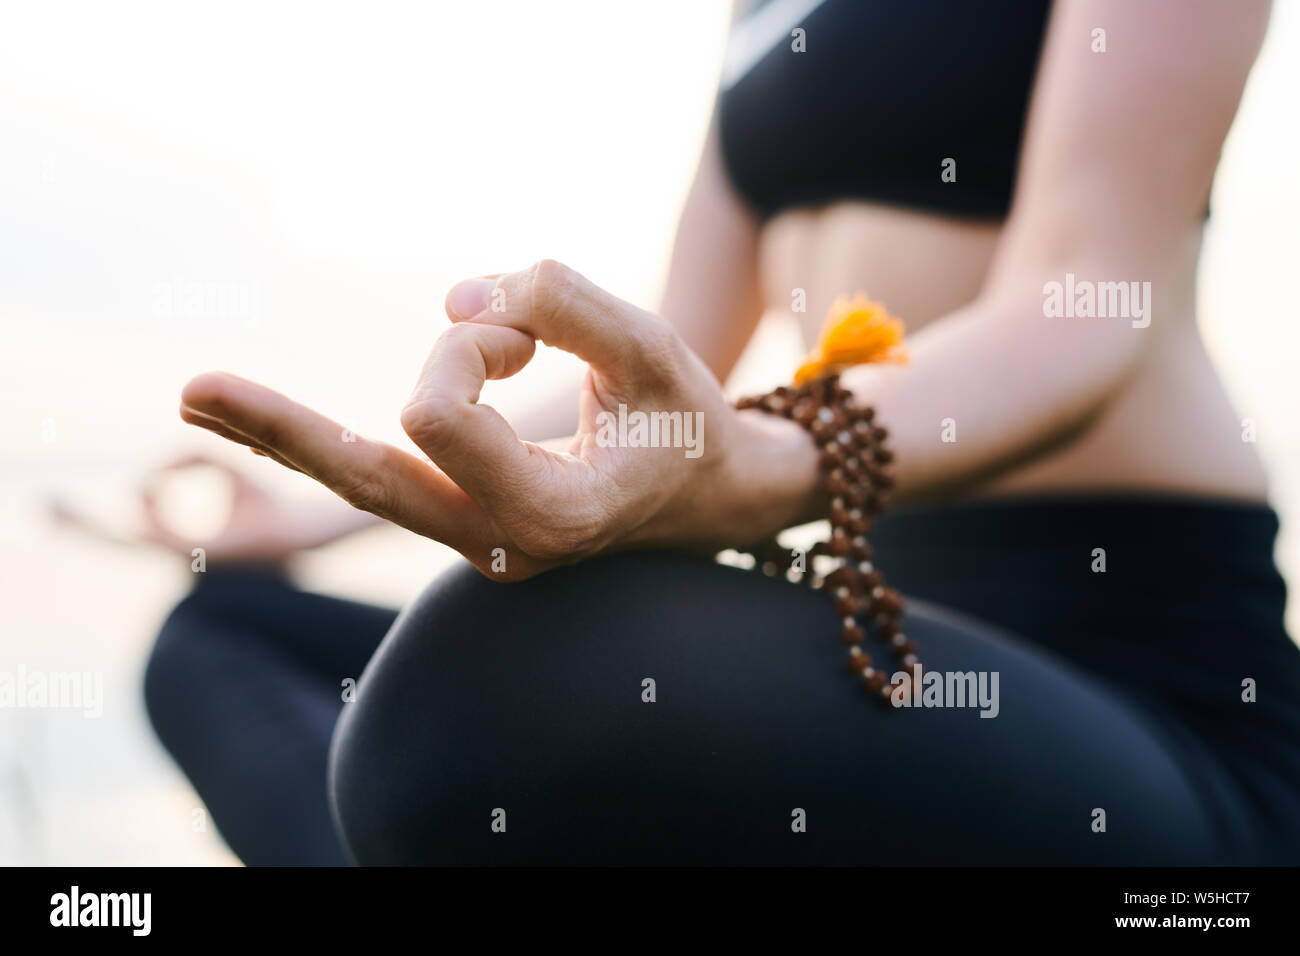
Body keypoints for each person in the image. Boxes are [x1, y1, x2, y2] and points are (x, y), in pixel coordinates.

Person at [95, 0, 1300, 864]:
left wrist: (771, 466)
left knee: (481, 683)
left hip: (1132, 665)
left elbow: (1082, 307)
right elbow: (671, 370)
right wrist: (325, 506)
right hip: (879, 617)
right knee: (220, 631)